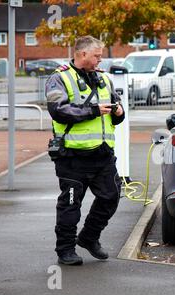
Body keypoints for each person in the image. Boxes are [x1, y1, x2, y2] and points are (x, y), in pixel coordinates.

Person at [45, 36, 125, 265]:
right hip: (73, 156)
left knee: (111, 197)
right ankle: (65, 250)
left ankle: (89, 238)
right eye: (97, 56)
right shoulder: (58, 78)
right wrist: (92, 111)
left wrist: (119, 113)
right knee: (70, 205)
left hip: (102, 155)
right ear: (82, 54)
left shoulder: (103, 79)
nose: (101, 60)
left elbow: (114, 111)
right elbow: (58, 110)